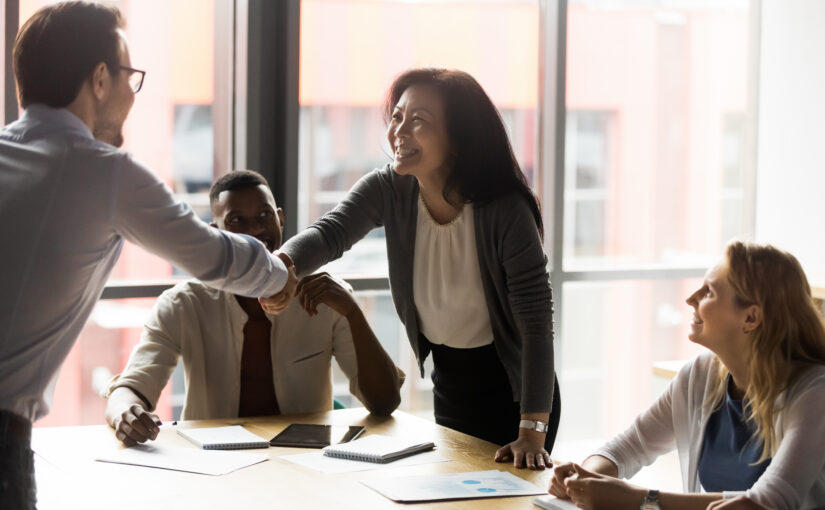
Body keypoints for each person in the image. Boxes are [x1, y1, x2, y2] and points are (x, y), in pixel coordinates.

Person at [0, 3, 295, 508]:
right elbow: (213, 257)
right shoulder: (101, 171)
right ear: (98, 79)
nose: (132, 97)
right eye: (128, 77)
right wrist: (278, 276)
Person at [277, 68, 560, 470]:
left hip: (514, 397)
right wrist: (282, 267)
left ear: (459, 139)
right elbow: (331, 232)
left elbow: (536, 323)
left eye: (419, 120)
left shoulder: (506, 210)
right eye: (397, 117)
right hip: (449, 384)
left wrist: (532, 430)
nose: (400, 131)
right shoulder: (389, 188)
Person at [104, 171, 403, 445]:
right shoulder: (183, 304)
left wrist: (352, 312)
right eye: (237, 221)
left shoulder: (325, 296)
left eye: (264, 215)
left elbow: (385, 403)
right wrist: (125, 413)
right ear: (214, 231)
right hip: (215, 466)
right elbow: (132, 387)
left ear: (281, 220)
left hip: (304, 464)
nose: (255, 230)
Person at [549, 241, 825, 510]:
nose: (690, 299)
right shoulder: (700, 375)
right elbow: (628, 447)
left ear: (750, 318)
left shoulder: (814, 392)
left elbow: (764, 503)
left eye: (709, 292)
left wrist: (639, 499)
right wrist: (583, 478)